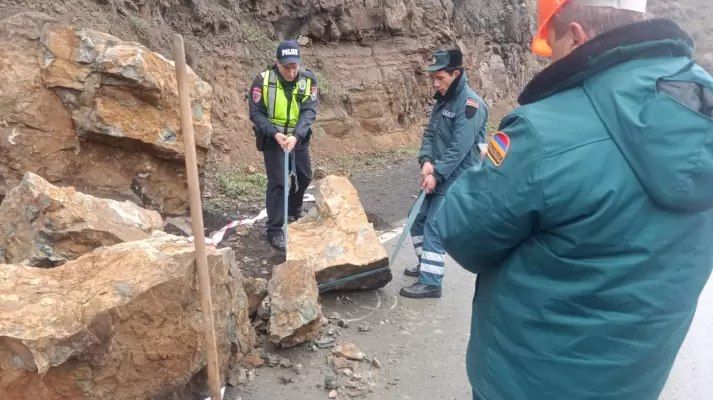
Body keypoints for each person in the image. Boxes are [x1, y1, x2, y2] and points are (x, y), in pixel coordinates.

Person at [434, 0, 713, 399]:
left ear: (577, 36)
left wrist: (489, 173)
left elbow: (463, 233)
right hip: (633, 383)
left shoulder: (545, 131)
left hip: (527, 382)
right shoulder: (701, 111)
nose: (549, 62)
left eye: (552, 46)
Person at [400, 49, 489, 299]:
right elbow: (430, 134)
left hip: (457, 177)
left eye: (440, 78)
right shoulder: (444, 100)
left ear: (456, 74)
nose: (435, 84)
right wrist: (426, 161)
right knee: (417, 219)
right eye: (433, 78)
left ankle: (431, 282)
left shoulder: (471, 105)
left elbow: (460, 147)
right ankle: (426, 265)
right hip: (439, 173)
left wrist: (436, 173)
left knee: (434, 224)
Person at [249, 40, 319, 251]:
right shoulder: (263, 80)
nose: (291, 72)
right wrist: (274, 133)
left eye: (294, 67)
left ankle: (293, 210)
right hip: (274, 139)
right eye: (286, 67)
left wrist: (296, 136)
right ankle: (274, 229)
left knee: (304, 176)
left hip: (298, 138)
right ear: (277, 63)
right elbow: (256, 113)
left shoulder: (308, 80)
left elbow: (309, 111)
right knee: (278, 182)